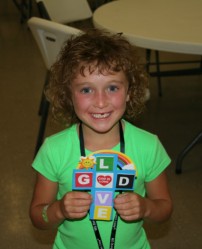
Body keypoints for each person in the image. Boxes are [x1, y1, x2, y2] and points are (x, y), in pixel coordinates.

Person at [30, 29, 172, 249]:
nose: (101, 102)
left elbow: (164, 208)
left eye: (112, 87)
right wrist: (59, 209)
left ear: (129, 92)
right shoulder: (53, 150)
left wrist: (146, 208)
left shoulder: (148, 146)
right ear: (69, 94)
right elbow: (38, 217)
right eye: (86, 90)